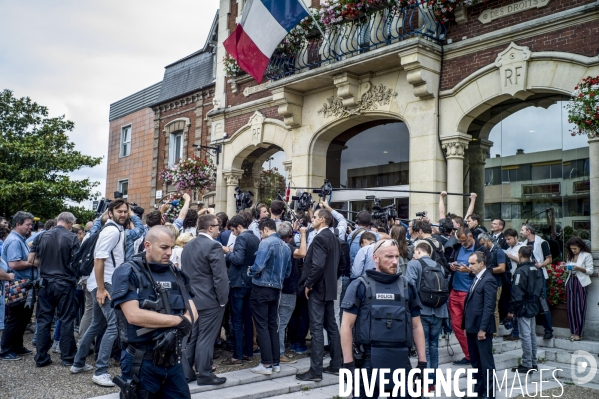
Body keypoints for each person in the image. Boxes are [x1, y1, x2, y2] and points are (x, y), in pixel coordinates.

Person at [111, 225, 198, 398]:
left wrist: (179, 324)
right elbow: (133, 315)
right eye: (164, 247)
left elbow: (193, 311)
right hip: (142, 361)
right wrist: (178, 322)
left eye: (172, 247)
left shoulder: (175, 273)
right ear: (148, 245)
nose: (169, 253)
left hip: (173, 360)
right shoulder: (128, 271)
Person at [340, 239, 427, 398]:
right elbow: (346, 326)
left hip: (401, 360)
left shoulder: (407, 286)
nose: (395, 262)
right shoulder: (360, 286)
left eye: (397, 257)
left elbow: (417, 326)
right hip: (368, 361)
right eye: (389, 257)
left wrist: (422, 362)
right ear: (375, 258)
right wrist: (348, 363)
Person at [71, 199, 128, 387]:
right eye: (119, 211)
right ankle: (100, 371)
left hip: (102, 282)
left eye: (125, 211)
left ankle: (78, 362)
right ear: (110, 213)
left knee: (96, 324)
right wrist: (102, 289)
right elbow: (99, 259)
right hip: (106, 283)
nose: (123, 214)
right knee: (113, 326)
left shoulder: (113, 230)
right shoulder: (111, 231)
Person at [181, 214, 229, 385]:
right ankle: (205, 373)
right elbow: (220, 277)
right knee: (206, 337)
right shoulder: (214, 246)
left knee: (192, 336)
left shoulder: (188, 246)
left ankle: (186, 373)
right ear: (210, 228)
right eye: (218, 226)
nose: (219, 228)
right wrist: (223, 299)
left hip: (191, 300)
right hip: (210, 300)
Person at [28, 212, 80, 367]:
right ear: (70, 223)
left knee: (43, 320)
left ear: (58, 221)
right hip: (64, 283)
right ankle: (67, 357)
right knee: (65, 319)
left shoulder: (41, 236)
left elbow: (31, 260)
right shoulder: (72, 238)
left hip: (45, 282)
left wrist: (45, 263)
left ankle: (41, 357)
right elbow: (76, 263)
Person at [296, 209, 342, 382]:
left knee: (316, 330)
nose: (311, 219)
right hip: (328, 287)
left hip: (318, 288)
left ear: (323, 219)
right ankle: (336, 364)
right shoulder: (334, 238)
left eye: (314, 217)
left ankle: (315, 371)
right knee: (331, 327)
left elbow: (318, 265)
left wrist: (309, 284)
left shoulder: (321, 238)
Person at [248, 218, 292, 375]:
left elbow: (258, 266)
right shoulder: (286, 247)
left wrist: (249, 272)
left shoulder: (266, 243)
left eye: (261, 232)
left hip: (261, 288)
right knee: (273, 325)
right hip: (277, 289)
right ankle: (275, 362)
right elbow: (287, 272)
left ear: (265, 229)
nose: (261, 235)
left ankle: (266, 364)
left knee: (262, 326)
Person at [447, 227, 490, 366]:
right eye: (460, 241)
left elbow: (487, 272)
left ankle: (475, 355)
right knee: (456, 325)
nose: (462, 243)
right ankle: (469, 354)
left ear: (471, 236)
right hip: (455, 290)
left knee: (470, 326)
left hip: (470, 293)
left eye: (464, 241)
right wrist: (451, 265)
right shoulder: (457, 247)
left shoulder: (481, 250)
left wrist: (469, 271)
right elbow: (448, 262)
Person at [221, 215, 260, 365]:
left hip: (238, 282)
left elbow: (237, 259)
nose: (233, 233)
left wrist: (227, 251)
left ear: (238, 226)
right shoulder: (255, 238)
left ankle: (238, 354)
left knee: (236, 320)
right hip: (250, 281)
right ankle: (249, 351)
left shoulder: (242, 238)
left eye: (233, 230)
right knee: (247, 319)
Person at [0, 211, 35, 361]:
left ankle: (17, 346)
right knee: (15, 318)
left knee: (23, 317)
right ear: (18, 224)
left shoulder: (19, 239)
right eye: (28, 224)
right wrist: (33, 262)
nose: (30, 227)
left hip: (22, 285)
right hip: (18, 285)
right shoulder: (15, 241)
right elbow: (14, 263)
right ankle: (6, 349)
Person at [463, 251, 497, 399]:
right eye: (469, 263)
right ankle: (478, 391)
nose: (469, 266)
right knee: (476, 362)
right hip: (472, 326)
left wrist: (482, 329)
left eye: (472, 263)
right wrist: (465, 326)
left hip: (481, 328)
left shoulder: (488, 280)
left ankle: (489, 394)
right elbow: (470, 303)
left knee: (486, 362)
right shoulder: (477, 278)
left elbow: (489, 307)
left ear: (481, 263)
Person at [507, 246, 543, 374]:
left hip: (524, 305)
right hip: (534, 304)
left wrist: (511, 309)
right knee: (531, 334)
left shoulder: (521, 270)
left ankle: (527, 364)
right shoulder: (536, 269)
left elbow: (517, 292)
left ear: (520, 255)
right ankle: (533, 362)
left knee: (526, 335)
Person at [277, 222, 307, 364]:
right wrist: (302, 234)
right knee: (281, 323)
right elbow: (302, 252)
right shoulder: (288, 248)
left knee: (276, 322)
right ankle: (280, 353)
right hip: (288, 289)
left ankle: (275, 350)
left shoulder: (273, 245)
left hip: (276, 288)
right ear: (289, 236)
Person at [520, 224, 554, 340]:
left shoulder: (542, 242)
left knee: (542, 301)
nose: (521, 232)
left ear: (528, 231)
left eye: (522, 230)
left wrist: (540, 265)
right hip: (527, 276)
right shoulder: (523, 244)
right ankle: (530, 330)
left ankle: (548, 330)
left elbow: (549, 259)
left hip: (539, 276)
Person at [562, 237, 594, 341]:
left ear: (580, 246)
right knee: (570, 308)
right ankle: (573, 332)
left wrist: (579, 268)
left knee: (580, 308)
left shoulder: (586, 255)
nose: (573, 250)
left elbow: (590, 271)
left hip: (581, 282)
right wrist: (564, 267)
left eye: (575, 248)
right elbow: (568, 270)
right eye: (571, 248)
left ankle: (579, 333)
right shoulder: (570, 255)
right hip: (570, 281)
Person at [478, 232, 507, 335]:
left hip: (496, 283)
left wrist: (487, 270)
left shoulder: (498, 251)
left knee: (494, 308)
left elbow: (502, 268)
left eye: (483, 243)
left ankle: (494, 333)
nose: (482, 246)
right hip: (486, 282)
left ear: (489, 241)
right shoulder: (484, 251)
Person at [502, 228, 524, 341]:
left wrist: (510, 256)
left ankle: (517, 332)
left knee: (515, 305)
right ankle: (512, 330)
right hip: (509, 279)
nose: (507, 241)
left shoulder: (521, 247)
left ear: (516, 237)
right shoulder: (509, 248)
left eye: (509, 239)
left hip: (518, 280)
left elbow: (524, 261)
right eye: (506, 239)